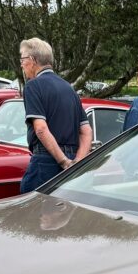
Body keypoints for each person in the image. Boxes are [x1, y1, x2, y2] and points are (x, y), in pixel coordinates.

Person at [18, 37, 92, 193]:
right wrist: (77, 163)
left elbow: (41, 129)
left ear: (32, 60)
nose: (21, 64)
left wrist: (64, 162)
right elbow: (86, 131)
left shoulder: (32, 86)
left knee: (31, 207)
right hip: (73, 160)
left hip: (45, 161)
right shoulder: (69, 89)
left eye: (22, 59)